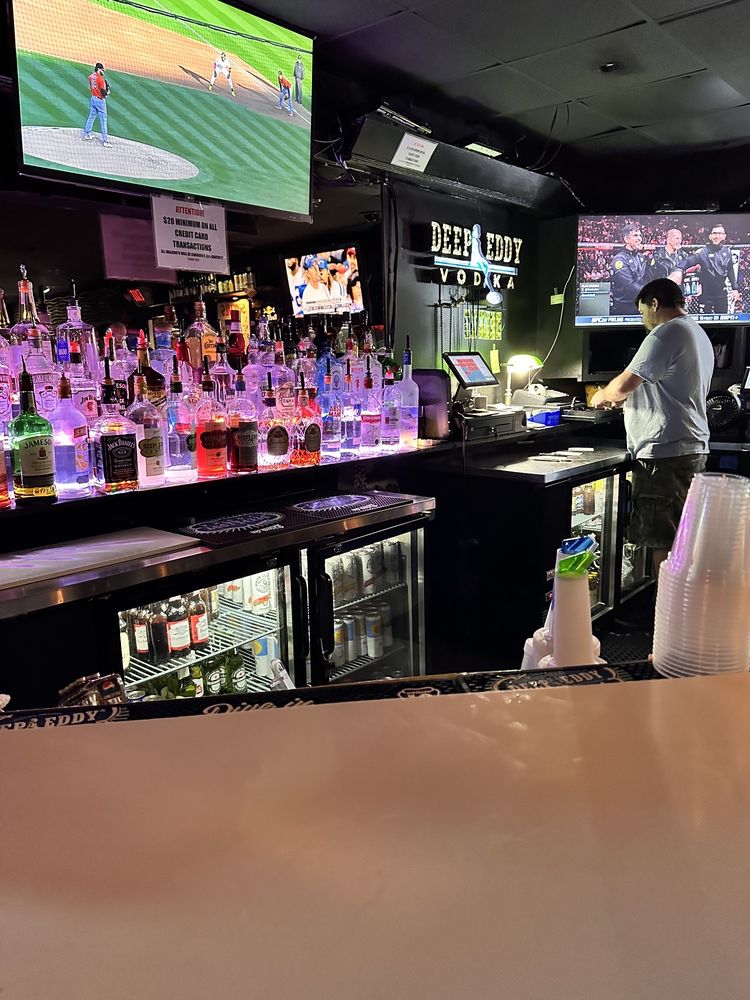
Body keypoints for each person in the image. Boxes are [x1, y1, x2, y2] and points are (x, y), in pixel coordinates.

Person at [591, 278, 714, 578]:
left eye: (642, 312)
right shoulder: (697, 333)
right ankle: (676, 604)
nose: (643, 320)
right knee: (680, 541)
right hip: (687, 448)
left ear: (655, 304)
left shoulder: (666, 332)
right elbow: (667, 389)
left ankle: (663, 607)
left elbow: (623, 386)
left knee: (664, 543)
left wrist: (602, 395)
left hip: (665, 454)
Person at [674, 223, 740, 316]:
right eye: (714, 233)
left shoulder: (727, 252)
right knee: (704, 319)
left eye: (720, 233)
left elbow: (730, 271)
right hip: (706, 294)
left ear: (724, 236)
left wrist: (735, 288)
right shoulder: (703, 252)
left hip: (721, 293)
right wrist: (679, 269)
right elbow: (689, 261)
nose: (717, 236)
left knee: (723, 320)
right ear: (710, 236)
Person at [610, 223, 647, 315]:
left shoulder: (641, 257)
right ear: (626, 239)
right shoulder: (620, 260)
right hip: (624, 309)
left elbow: (645, 279)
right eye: (635, 235)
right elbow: (629, 286)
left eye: (640, 235)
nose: (639, 238)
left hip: (640, 306)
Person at [82, 62, 110, 146]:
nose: (103, 72)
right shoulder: (100, 79)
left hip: (93, 98)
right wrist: (108, 92)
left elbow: (92, 86)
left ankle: (86, 134)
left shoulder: (91, 76)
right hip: (100, 101)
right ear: (98, 69)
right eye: (102, 70)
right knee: (103, 121)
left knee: (91, 117)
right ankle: (105, 141)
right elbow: (104, 93)